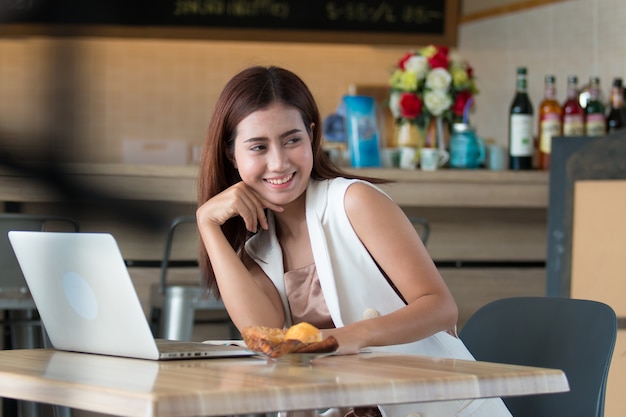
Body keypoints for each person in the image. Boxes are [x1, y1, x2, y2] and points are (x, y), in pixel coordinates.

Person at [196, 65, 512, 417]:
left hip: (439, 406)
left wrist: (351, 336)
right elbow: (264, 334)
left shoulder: (353, 201)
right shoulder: (258, 250)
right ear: (231, 154)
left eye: (292, 140)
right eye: (258, 146)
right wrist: (207, 224)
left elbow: (440, 307)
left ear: (312, 136)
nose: (279, 162)